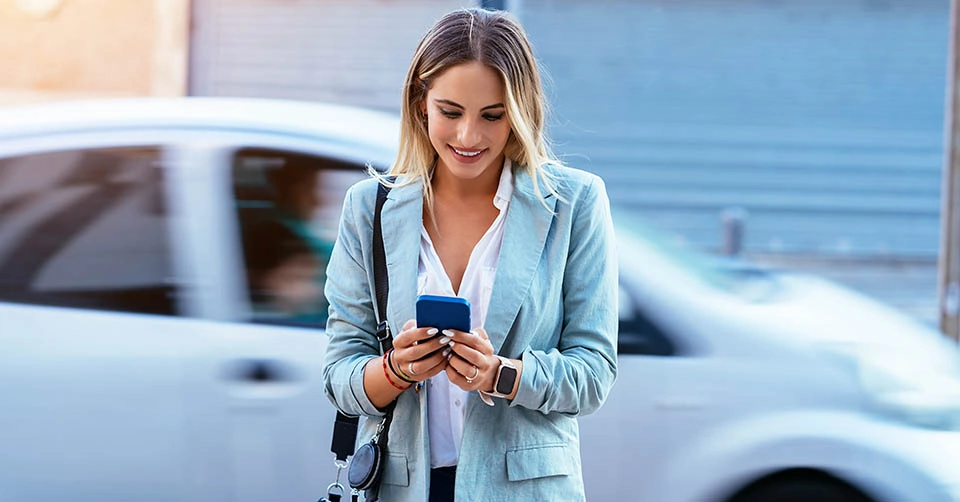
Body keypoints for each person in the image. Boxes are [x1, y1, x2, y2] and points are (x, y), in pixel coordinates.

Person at [322, 7, 618, 501]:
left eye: (492, 116)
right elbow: (339, 377)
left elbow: (593, 373)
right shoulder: (368, 208)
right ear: (421, 104)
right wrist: (398, 369)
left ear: (520, 111)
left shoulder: (575, 204)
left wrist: (502, 375)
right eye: (451, 112)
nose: (468, 137)